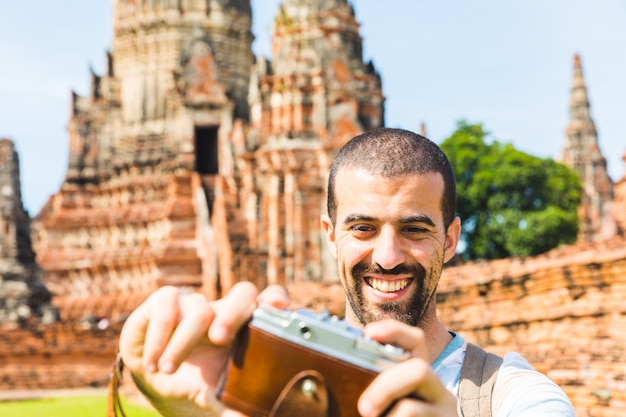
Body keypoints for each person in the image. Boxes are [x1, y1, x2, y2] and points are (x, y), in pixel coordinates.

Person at [119, 128, 575, 416]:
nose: (389, 256)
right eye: (363, 228)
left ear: (451, 239)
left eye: (415, 229)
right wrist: (187, 406)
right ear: (330, 234)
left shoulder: (513, 396)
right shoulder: (270, 385)